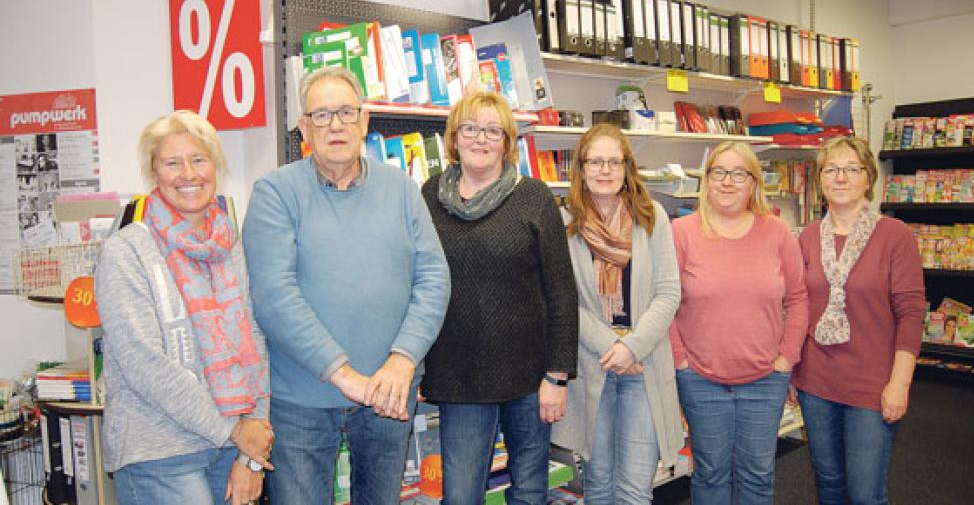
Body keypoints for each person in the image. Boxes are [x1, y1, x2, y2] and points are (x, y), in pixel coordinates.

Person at [242, 66, 450, 504]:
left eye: (346, 112)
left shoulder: (402, 190)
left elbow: (434, 278)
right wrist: (345, 375)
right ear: (304, 127)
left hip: (389, 394)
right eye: (321, 115)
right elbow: (275, 298)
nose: (335, 124)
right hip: (300, 402)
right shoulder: (275, 192)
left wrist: (403, 360)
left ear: (365, 121)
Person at [95, 111, 272, 505]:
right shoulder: (126, 253)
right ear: (153, 173)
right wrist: (233, 430)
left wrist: (251, 454)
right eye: (172, 162)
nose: (188, 174)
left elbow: (255, 342)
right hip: (159, 454)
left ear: (216, 167)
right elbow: (145, 365)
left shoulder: (229, 246)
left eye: (198, 159)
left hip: (231, 449)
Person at [420, 92, 578, 505]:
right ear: (454, 138)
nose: (481, 139)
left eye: (493, 130)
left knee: (529, 492)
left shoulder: (534, 197)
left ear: (507, 142)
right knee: (460, 496)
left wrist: (557, 376)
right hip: (459, 376)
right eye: (471, 128)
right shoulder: (430, 195)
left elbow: (561, 292)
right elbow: (417, 282)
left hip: (529, 377)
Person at [551, 124, 684, 504]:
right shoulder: (564, 225)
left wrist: (633, 348)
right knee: (599, 486)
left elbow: (668, 292)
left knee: (634, 490)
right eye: (596, 161)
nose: (605, 170)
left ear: (627, 168)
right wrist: (612, 346)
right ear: (581, 168)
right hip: (592, 366)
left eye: (614, 161)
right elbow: (564, 300)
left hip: (644, 368)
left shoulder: (651, 217)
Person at [670, 141, 808, 504]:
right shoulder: (681, 232)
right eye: (718, 172)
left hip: (765, 379)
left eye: (738, 174)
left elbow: (797, 299)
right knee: (710, 473)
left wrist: (786, 360)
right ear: (707, 180)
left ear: (753, 183)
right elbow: (666, 302)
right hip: (700, 379)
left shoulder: (777, 232)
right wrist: (680, 361)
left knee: (758, 476)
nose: (727, 182)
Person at [793, 136, 926, 505]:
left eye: (852, 169)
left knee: (866, 493)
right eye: (832, 169)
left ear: (869, 178)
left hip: (872, 385)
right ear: (820, 180)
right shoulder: (806, 237)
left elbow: (911, 314)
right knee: (830, 485)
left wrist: (900, 384)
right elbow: (798, 306)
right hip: (816, 383)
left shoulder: (895, 236)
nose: (841, 177)